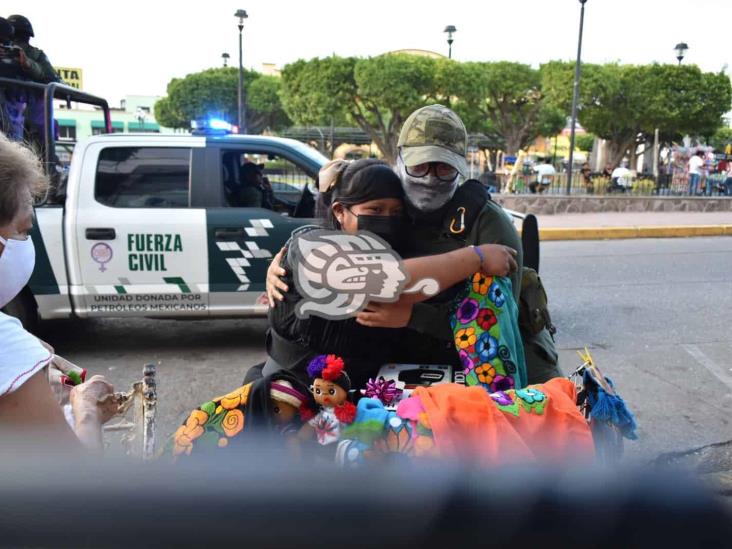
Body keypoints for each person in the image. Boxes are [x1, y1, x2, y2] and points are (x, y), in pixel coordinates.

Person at [270, 105, 562, 385]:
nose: (430, 178)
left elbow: (498, 320)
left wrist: (413, 317)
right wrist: (292, 252)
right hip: (406, 362)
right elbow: (352, 237)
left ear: (460, 169)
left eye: (444, 169)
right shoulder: (394, 206)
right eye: (420, 166)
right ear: (400, 161)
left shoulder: (488, 224)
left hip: (494, 359)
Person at [260, 158, 518, 389]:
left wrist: (413, 317)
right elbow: (387, 280)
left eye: (396, 212)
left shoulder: (407, 256)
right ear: (339, 212)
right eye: (375, 210)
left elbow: (457, 321)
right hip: (287, 402)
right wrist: (477, 257)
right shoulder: (310, 247)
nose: (387, 219)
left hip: (361, 407)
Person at [0, 134, 114, 453]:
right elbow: (76, 488)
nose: (26, 242)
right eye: (23, 230)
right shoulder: (7, 346)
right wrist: (86, 409)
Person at [6, 15, 59, 84]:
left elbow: (56, 83)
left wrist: (30, 66)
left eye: (22, 38)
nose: (15, 45)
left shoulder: (36, 55)